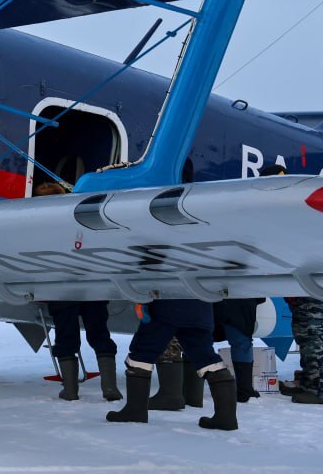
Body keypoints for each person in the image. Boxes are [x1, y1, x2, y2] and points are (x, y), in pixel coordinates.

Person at [35, 181, 122, 402]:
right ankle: (110, 388)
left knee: (66, 337)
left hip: (60, 287)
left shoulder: (37, 224)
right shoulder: (84, 216)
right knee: (100, 334)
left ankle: (71, 390)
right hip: (93, 284)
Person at [106, 299, 237, 430]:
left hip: (165, 307)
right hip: (201, 309)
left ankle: (135, 411)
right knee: (206, 357)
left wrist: (143, 302)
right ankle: (226, 417)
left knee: (142, 353)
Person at [214, 297, 266, 402]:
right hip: (241, 298)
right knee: (241, 342)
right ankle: (244, 389)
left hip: (210, 296)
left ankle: (191, 392)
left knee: (200, 340)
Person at [286, 296, 323, 405]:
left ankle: (317, 390)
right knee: (306, 341)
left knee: (314, 343)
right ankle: (308, 385)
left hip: (313, 301)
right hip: (303, 302)